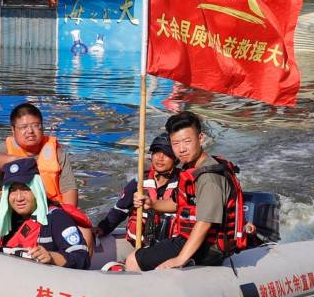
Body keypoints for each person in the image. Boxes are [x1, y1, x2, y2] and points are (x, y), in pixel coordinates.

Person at [127, 112, 252, 272]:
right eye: (175, 143)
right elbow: (176, 203)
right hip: (189, 239)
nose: (181, 149)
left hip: (208, 248)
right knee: (148, 252)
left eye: (187, 141)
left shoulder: (208, 177)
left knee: (133, 261)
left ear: (201, 138)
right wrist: (151, 204)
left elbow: (205, 222)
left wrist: (180, 258)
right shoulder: (190, 168)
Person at [0, 102, 78, 242]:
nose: (30, 131)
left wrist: (67, 223)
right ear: (13, 130)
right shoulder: (3, 150)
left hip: (46, 218)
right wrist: (21, 162)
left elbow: (69, 193)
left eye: (36, 125)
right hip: (10, 220)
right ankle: (6, 245)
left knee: (84, 234)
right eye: (23, 127)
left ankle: (40, 244)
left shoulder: (57, 153)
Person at [0, 156, 94, 270]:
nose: (19, 198)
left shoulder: (57, 218)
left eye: (25, 189)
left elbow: (82, 258)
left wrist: (51, 257)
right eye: (12, 190)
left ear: (36, 189)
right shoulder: (8, 222)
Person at [95, 133, 178, 247]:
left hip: (172, 247)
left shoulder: (182, 183)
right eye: (156, 153)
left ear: (175, 158)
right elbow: (120, 210)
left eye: (166, 154)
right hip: (142, 247)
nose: (160, 158)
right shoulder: (139, 183)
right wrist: (102, 228)